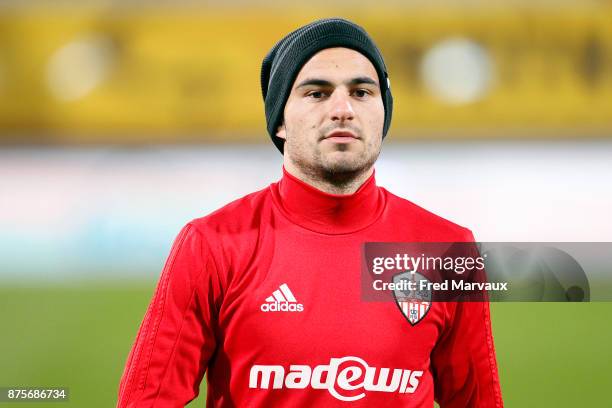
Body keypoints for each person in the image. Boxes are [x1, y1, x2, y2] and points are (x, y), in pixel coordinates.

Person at [117, 18, 503, 407]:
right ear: (280, 120)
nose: (343, 109)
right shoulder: (212, 245)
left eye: (362, 92)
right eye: (317, 93)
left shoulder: (448, 250)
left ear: (383, 113)